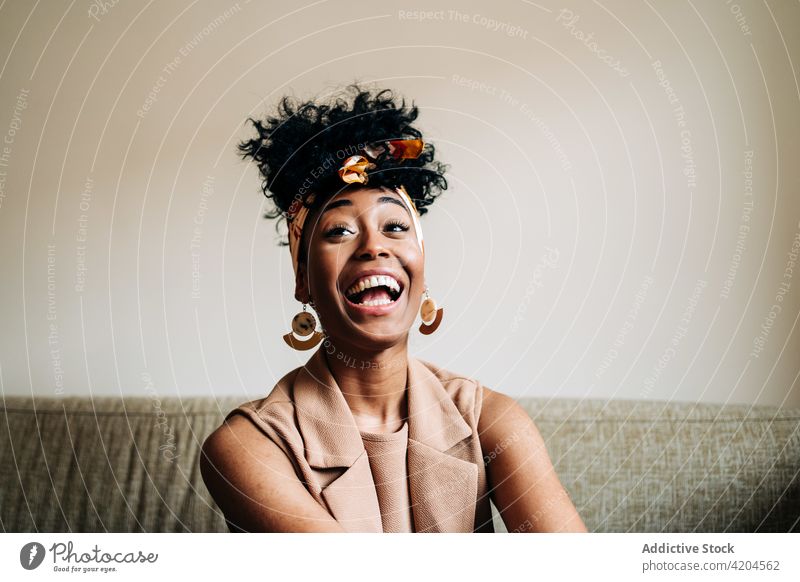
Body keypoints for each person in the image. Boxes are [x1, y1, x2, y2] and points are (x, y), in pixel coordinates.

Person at [200, 84, 587, 533]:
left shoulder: (490, 420)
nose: (374, 246)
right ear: (303, 280)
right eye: (339, 231)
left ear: (421, 267)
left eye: (396, 226)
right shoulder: (246, 446)